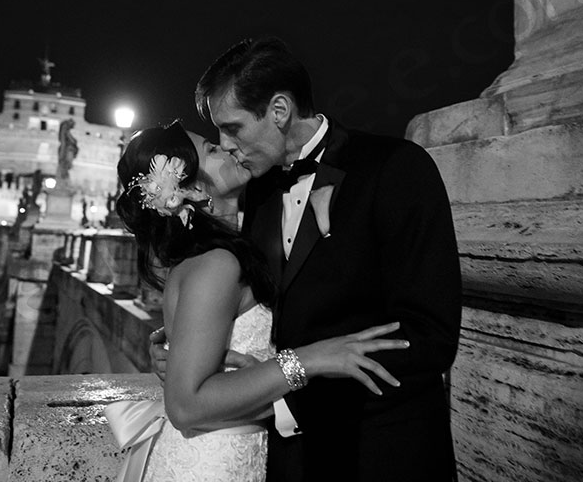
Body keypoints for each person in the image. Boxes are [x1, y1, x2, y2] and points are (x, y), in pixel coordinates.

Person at [153, 35, 463, 481]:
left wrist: (282, 397)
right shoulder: (258, 191)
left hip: (379, 455)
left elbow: (429, 337)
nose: (225, 144)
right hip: (288, 464)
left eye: (233, 127)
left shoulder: (397, 169)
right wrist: (180, 349)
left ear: (279, 110)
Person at [104, 120, 410, 482]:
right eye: (210, 150)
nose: (225, 145)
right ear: (189, 185)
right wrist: (308, 360)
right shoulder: (216, 263)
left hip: (236, 455)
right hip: (211, 465)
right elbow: (185, 405)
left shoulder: (222, 251)